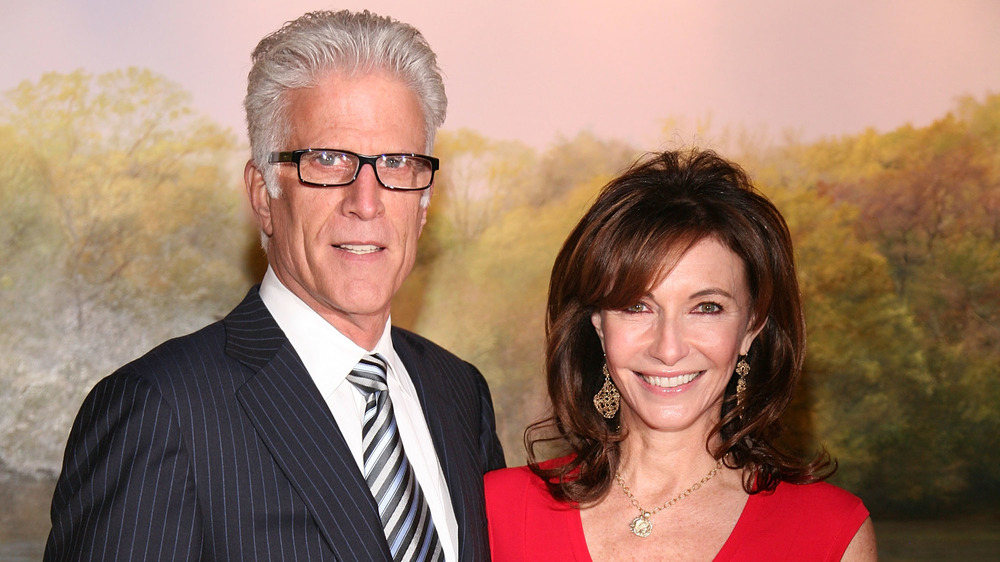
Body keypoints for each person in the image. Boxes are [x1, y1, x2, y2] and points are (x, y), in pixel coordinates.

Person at [45, 10, 504, 562]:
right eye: (328, 160)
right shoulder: (161, 412)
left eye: (397, 163)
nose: (366, 202)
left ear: (424, 203)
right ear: (263, 195)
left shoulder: (459, 393)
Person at [484, 149, 877, 561]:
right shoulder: (498, 510)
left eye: (706, 308)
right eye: (637, 306)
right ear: (598, 324)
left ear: (751, 328)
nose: (668, 349)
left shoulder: (829, 531)